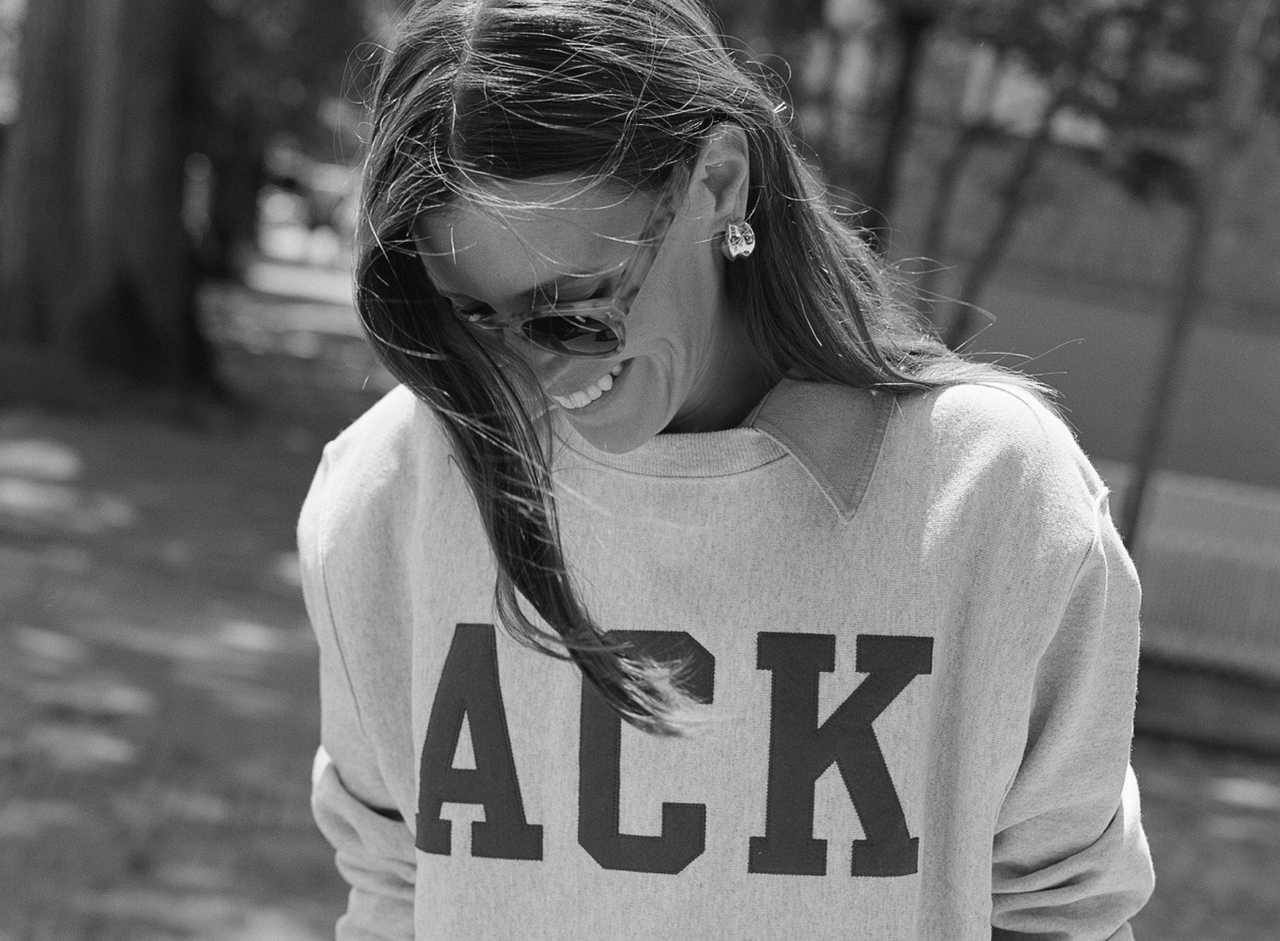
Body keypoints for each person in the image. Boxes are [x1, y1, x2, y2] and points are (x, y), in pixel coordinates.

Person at [298, 0, 1155, 938]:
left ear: (720, 180)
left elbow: (1058, 914)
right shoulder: (389, 490)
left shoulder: (995, 498)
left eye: (574, 307)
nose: (535, 369)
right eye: (473, 317)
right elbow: (392, 889)